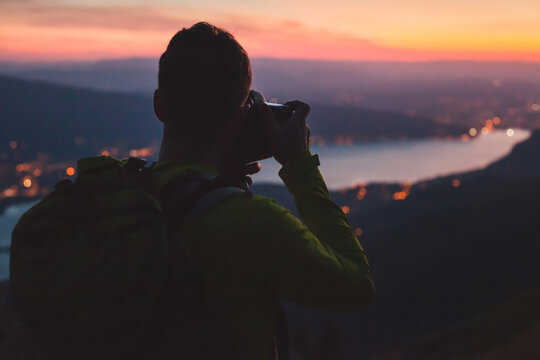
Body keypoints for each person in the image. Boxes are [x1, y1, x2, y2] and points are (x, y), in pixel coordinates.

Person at [152, 22, 375, 360]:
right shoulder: (249, 222)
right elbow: (357, 287)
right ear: (243, 118)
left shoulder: (110, 197)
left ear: (158, 106)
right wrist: (299, 165)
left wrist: (215, 180)